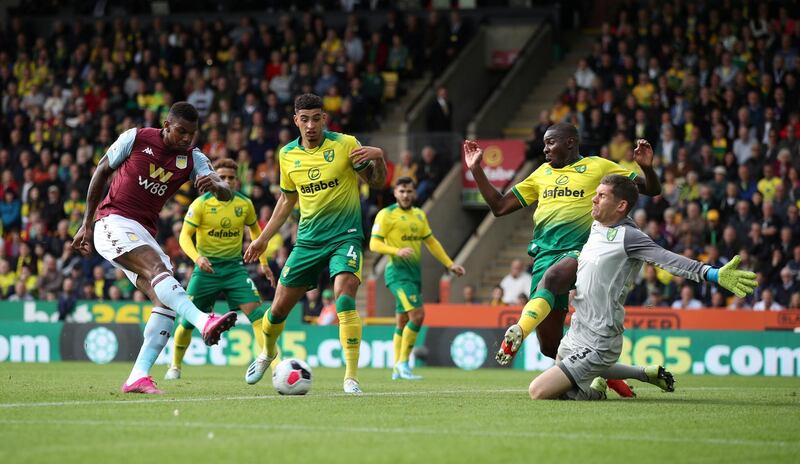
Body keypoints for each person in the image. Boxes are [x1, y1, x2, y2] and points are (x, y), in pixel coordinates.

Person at [463, 122, 662, 397]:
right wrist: (476, 169)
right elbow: (499, 207)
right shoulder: (540, 175)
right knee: (551, 347)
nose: (545, 149)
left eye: (550, 143)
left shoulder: (598, 167)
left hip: (584, 251)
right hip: (545, 255)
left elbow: (650, 189)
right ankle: (622, 376)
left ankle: (519, 329)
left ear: (570, 142)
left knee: (555, 278)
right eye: (544, 144)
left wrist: (647, 168)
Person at [528, 175, 757, 400]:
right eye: (595, 194)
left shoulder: (629, 237)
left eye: (601, 195)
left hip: (600, 338)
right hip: (577, 331)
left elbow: (667, 259)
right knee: (561, 387)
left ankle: (597, 392)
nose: (594, 199)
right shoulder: (596, 225)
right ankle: (642, 373)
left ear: (621, 206)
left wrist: (711, 272)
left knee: (540, 391)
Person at [71, 102, 238, 395]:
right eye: (181, 132)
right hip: (113, 221)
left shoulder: (193, 158)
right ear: (166, 125)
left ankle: (138, 376)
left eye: (192, 133)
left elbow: (227, 193)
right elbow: (101, 171)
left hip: (144, 233)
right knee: (159, 271)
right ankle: (203, 320)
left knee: (165, 302)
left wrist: (214, 184)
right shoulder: (136, 138)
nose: (187, 139)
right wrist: (86, 223)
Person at [242, 93, 388, 394]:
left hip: (345, 236)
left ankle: (350, 378)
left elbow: (376, 182)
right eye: (304, 119)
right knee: (277, 310)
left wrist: (380, 158)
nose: (310, 125)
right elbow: (286, 200)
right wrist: (262, 240)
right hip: (308, 241)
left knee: (344, 296)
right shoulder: (287, 155)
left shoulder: (346, 144)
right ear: (296, 120)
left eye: (316, 118)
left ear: (324, 118)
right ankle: (268, 352)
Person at [164, 158, 270, 381]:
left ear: (237, 181)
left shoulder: (245, 204)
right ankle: (175, 365)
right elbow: (184, 236)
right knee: (186, 322)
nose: (227, 181)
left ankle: (272, 361)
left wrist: (264, 264)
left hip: (234, 269)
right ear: (214, 178)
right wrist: (197, 257)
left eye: (231, 178)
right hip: (206, 270)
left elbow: (256, 233)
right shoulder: (200, 204)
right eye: (222, 177)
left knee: (258, 315)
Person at [370, 176, 465, 380]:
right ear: (395, 192)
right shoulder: (386, 215)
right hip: (397, 274)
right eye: (401, 191)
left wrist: (450, 264)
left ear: (414, 193)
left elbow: (431, 242)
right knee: (418, 315)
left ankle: (397, 367)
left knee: (402, 321)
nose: (405, 195)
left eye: (409, 191)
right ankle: (404, 363)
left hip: (414, 275)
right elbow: (374, 244)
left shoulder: (419, 215)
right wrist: (396, 251)